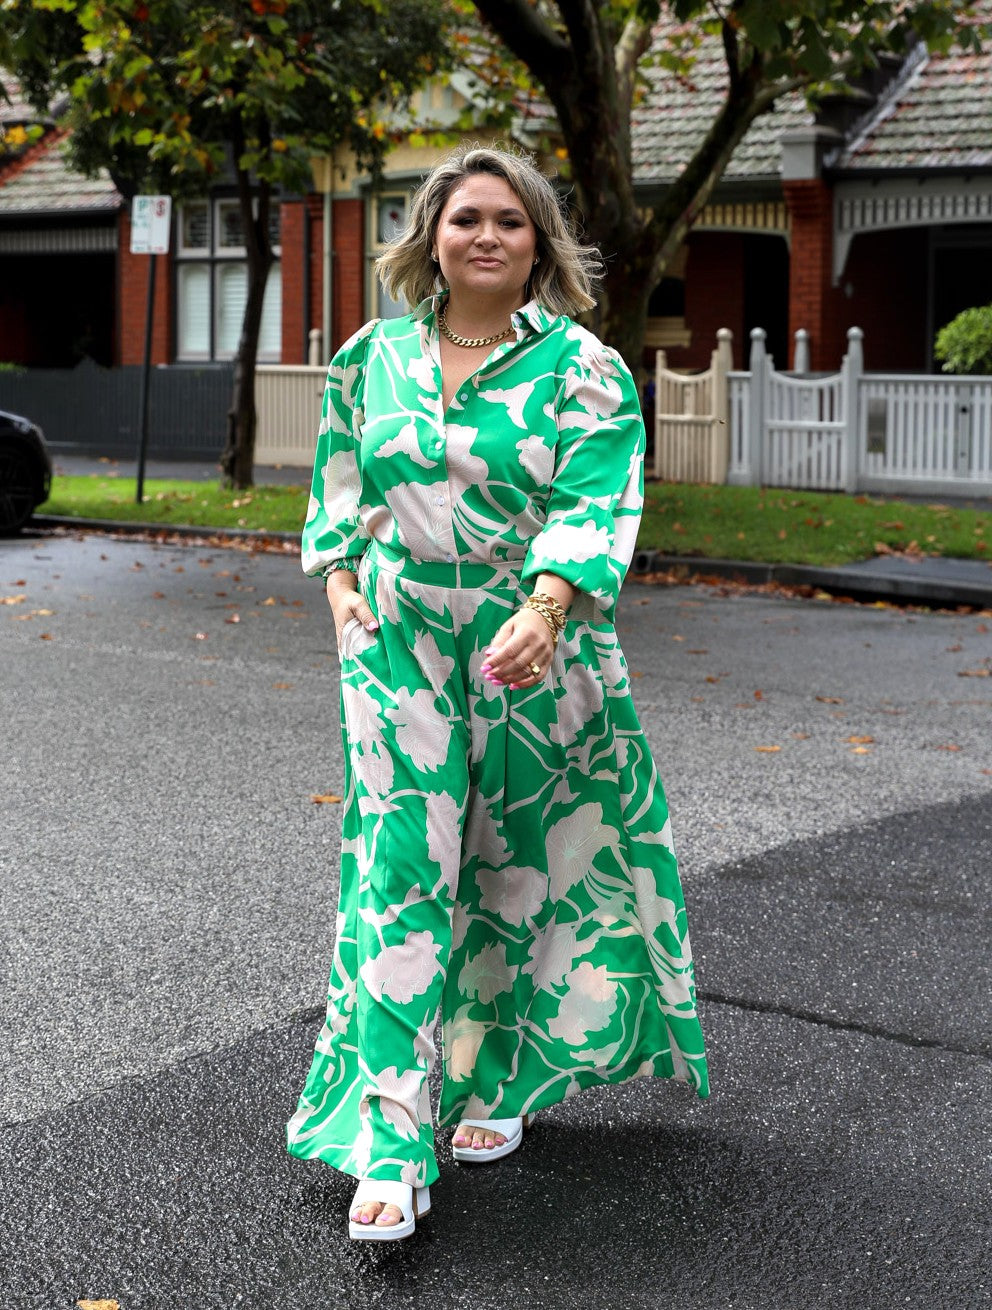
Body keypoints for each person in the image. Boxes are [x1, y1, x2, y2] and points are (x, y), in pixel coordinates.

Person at [286, 144, 708, 1241]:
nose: (486, 235)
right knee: (398, 871)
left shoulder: (583, 367)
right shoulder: (369, 358)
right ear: (432, 235)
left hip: (533, 645)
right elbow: (338, 488)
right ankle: (389, 1134)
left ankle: (503, 1074)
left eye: (509, 221)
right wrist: (339, 584)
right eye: (466, 216)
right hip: (397, 643)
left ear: (538, 244)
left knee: (516, 865)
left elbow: (594, 499)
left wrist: (548, 605)